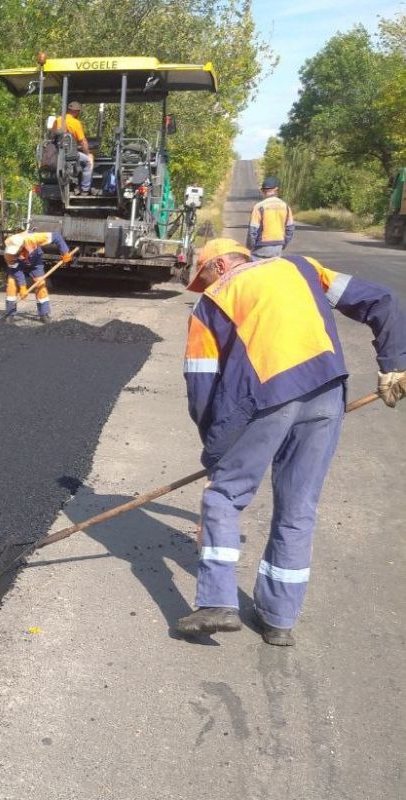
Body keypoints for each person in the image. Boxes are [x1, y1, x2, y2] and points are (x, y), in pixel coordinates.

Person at [175, 238, 406, 645]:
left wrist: (216, 455)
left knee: (223, 497)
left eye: (204, 274)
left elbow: (201, 388)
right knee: (299, 507)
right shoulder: (301, 266)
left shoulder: (210, 304)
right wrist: (394, 365)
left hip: (263, 399)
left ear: (222, 264)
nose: (204, 284)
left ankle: (216, 603)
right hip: (326, 392)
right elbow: (382, 300)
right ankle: (278, 619)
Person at [3, 230, 72, 323]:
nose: (14, 253)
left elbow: (56, 236)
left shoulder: (33, 238)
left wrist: (65, 252)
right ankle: (10, 313)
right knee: (12, 284)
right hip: (18, 266)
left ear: (22, 245)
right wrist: (23, 286)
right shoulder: (9, 254)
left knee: (40, 284)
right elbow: (16, 271)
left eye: (17, 251)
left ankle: (44, 314)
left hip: (35, 263)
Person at [246, 176, 294, 260]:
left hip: (261, 246)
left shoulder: (259, 207)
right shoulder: (285, 206)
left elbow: (252, 231)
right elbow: (290, 229)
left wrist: (250, 247)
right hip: (278, 246)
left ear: (263, 191)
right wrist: (283, 243)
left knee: (254, 269)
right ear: (276, 189)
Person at [51, 100, 93, 195]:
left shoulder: (57, 120)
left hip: (58, 153)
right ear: (76, 111)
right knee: (87, 162)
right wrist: (88, 154)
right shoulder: (76, 123)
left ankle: (76, 185)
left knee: (79, 160)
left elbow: (52, 135)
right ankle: (85, 189)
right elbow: (83, 141)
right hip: (70, 154)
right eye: (78, 112)